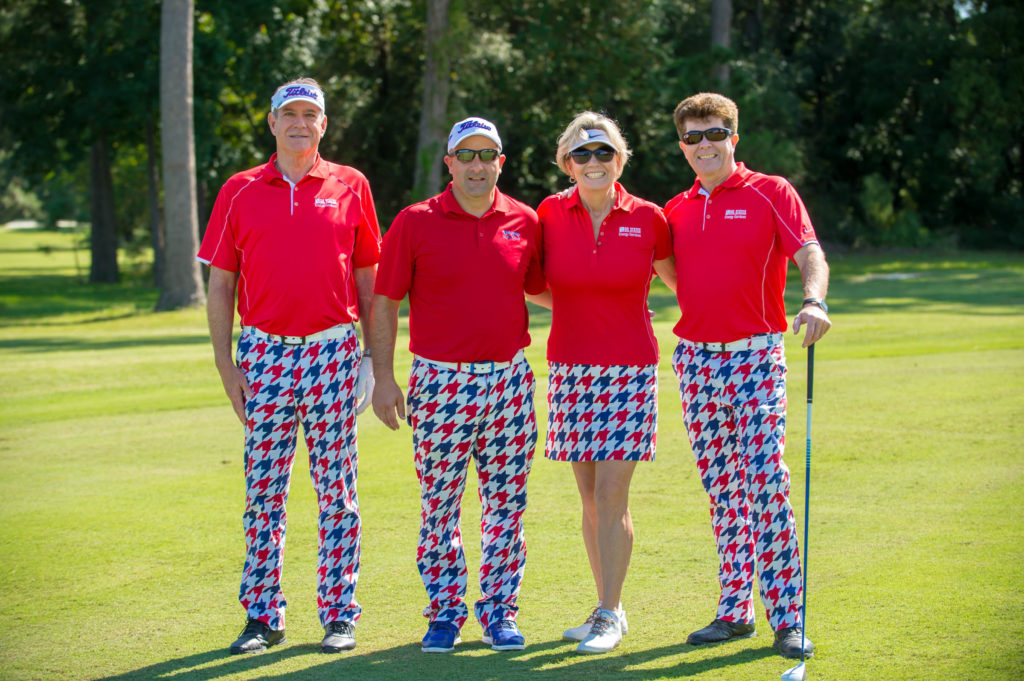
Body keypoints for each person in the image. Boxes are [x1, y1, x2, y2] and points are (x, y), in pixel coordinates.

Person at [197, 78, 381, 655]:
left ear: (324, 125)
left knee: (338, 493)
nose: (300, 122)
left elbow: (369, 278)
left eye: (311, 114)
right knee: (264, 492)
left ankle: (339, 614)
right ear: (272, 123)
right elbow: (222, 281)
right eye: (289, 114)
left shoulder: (352, 185)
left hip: (333, 350)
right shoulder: (239, 189)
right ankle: (262, 615)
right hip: (265, 353)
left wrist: (373, 358)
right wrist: (228, 368)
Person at [663, 92, 831, 660]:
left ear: (734, 137)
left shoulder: (770, 190)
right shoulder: (676, 209)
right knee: (723, 490)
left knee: (765, 483)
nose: (704, 145)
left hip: (755, 356)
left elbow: (809, 250)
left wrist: (813, 301)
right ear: (682, 145)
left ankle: (788, 617)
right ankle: (735, 611)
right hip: (696, 359)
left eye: (714, 134)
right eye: (693, 137)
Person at [369, 117, 545, 654]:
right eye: (465, 155)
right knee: (440, 504)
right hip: (441, 382)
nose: (476, 164)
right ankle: (445, 612)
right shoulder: (415, 221)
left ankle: (499, 612)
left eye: (486, 154)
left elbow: (546, 292)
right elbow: (385, 302)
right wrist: (382, 377)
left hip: (510, 381)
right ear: (448, 163)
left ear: (500, 162)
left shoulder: (525, 220)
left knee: (506, 503)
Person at [528, 112, 675, 654]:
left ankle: (611, 611)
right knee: (589, 498)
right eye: (582, 154)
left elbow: (683, 281)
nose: (594, 162)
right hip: (569, 368)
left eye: (604, 152)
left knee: (614, 494)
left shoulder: (650, 218)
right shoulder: (548, 213)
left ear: (621, 159)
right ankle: (603, 607)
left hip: (631, 370)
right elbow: (535, 284)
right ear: (567, 162)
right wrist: (580, 303)